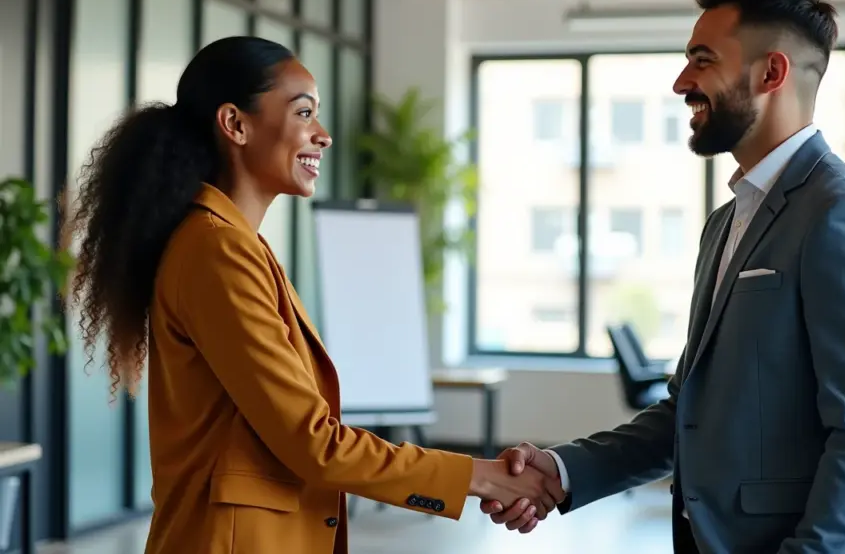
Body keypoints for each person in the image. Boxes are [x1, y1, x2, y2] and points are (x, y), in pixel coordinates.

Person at [64, 36, 563, 554]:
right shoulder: (217, 252)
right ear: (235, 124)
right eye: (304, 113)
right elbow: (314, 443)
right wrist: (479, 476)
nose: (322, 136)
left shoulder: (235, 245)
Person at [482, 0, 845, 554]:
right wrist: (562, 470)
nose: (682, 81)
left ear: (772, 72)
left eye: (703, 59)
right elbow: (689, 412)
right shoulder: (726, 223)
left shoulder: (843, 215)